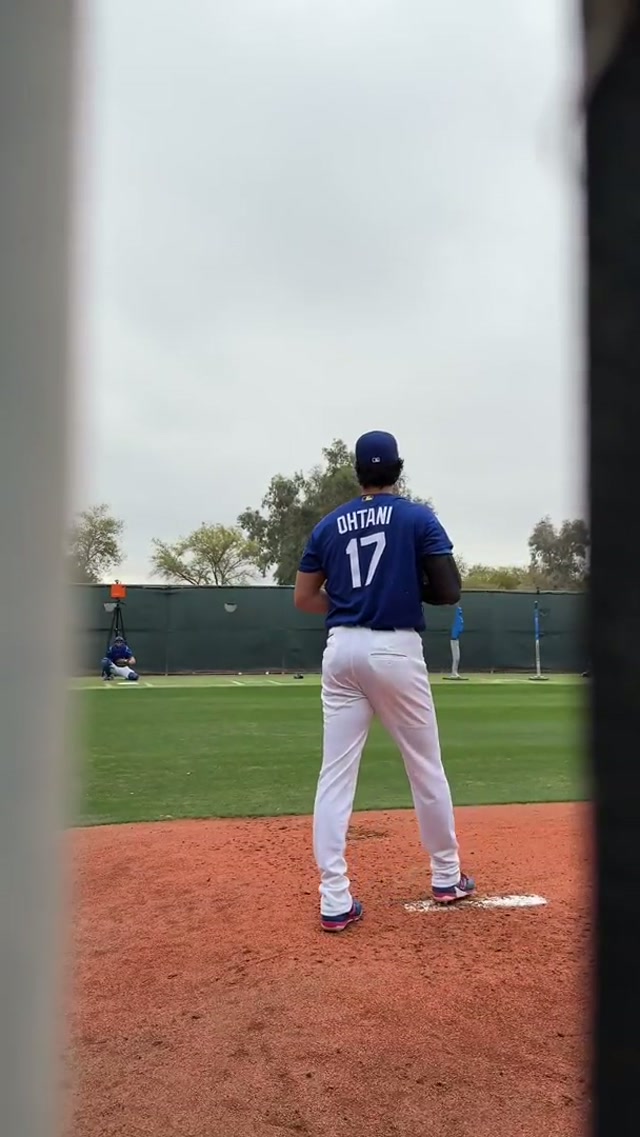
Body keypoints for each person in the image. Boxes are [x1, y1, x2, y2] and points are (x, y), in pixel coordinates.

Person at [294, 430, 475, 932]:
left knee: (335, 775)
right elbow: (448, 590)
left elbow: (304, 599)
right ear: (398, 469)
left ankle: (334, 899)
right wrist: (395, 590)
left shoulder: (328, 525)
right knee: (424, 766)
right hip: (395, 648)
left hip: (341, 649)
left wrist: (352, 603)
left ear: (358, 473)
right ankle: (446, 876)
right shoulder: (417, 518)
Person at [450, 605, 464, 678]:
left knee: (457, 658)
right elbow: (460, 628)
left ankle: (455, 672)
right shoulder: (458, 619)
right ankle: (453, 673)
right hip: (454, 640)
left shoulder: (460, 619)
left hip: (456, 640)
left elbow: (460, 628)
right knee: (456, 658)